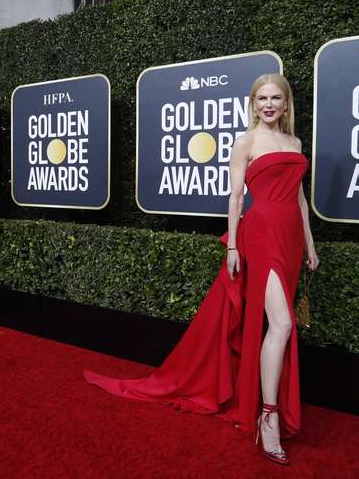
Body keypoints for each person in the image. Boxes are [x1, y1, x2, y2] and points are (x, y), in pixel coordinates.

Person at [84, 74, 318, 466]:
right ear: (253, 102)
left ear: (287, 102)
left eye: (276, 97)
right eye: (262, 98)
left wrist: (310, 244)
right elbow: (236, 195)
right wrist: (231, 243)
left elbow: (298, 198)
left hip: (292, 238)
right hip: (260, 236)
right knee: (281, 324)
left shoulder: (294, 143)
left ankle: (267, 406)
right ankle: (268, 416)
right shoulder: (246, 142)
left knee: (278, 324)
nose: (269, 104)